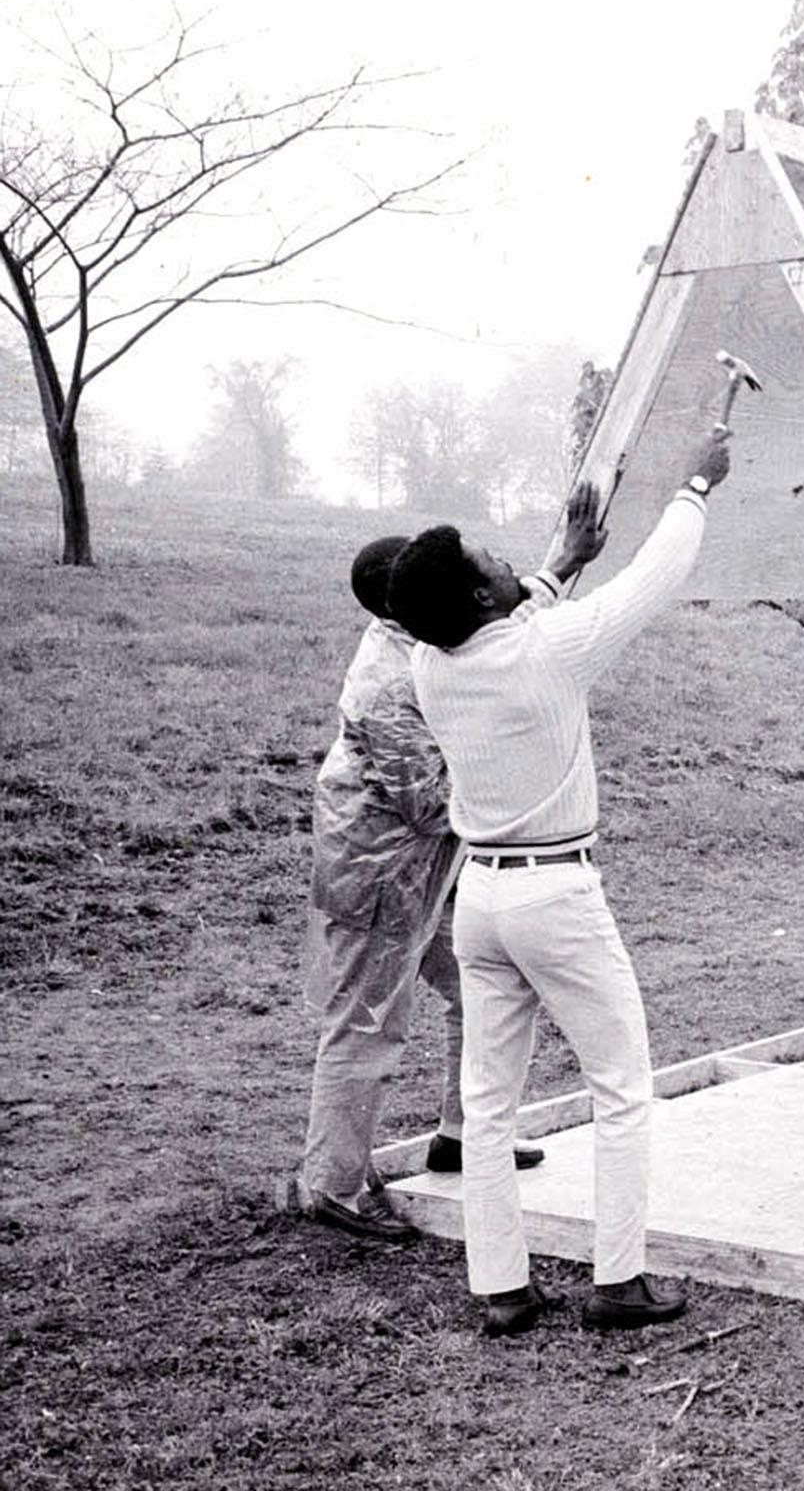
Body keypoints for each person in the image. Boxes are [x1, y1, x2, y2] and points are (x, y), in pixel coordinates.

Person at [387, 431, 731, 1338]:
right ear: (478, 595)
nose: (508, 561)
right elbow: (655, 575)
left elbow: (511, 614)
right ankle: (619, 1282)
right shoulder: (551, 652)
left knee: (490, 1108)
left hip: (482, 904)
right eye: (491, 560)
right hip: (556, 896)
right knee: (623, 1087)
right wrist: (696, 482)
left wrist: (557, 562)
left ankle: (500, 1286)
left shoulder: (432, 662)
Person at [296, 495, 603, 1243]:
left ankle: (461, 1137)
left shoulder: (433, 639)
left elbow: (499, 626)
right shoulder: (388, 683)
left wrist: (561, 564)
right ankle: (331, 1188)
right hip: (378, 876)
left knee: (484, 989)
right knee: (366, 1025)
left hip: (434, 867)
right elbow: (427, 802)